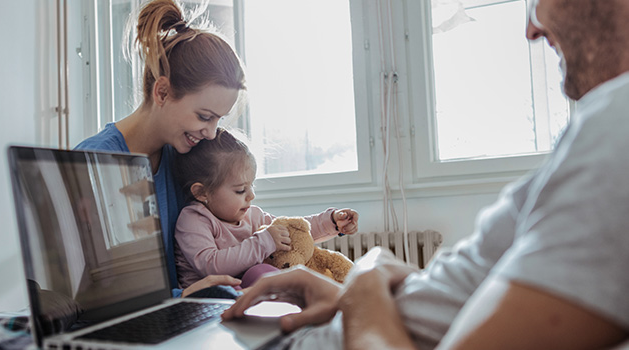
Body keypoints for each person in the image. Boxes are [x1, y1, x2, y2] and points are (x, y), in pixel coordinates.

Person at [222, 0, 629, 348]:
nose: (531, 28)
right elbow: (469, 298)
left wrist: (367, 277)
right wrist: (352, 294)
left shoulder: (617, 122)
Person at [74, 0, 246, 298]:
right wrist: (186, 296)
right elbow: (96, 289)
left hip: (174, 312)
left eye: (219, 119)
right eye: (204, 116)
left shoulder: (184, 157)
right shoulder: (96, 161)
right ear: (162, 92)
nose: (211, 132)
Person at [173, 128, 359, 289]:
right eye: (240, 190)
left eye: (251, 186)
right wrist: (262, 243)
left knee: (296, 272)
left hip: (247, 295)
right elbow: (210, 265)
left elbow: (294, 231)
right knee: (264, 273)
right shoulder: (193, 219)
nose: (251, 196)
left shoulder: (253, 216)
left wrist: (332, 222)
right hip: (211, 299)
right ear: (202, 192)